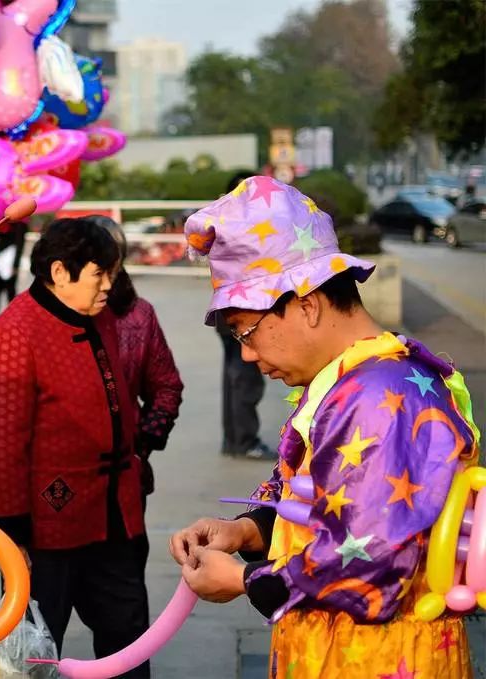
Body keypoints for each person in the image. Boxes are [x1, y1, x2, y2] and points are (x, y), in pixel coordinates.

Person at [172, 176, 477, 678]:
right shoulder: (349, 381)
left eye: (246, 331)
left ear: (307, 303)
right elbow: (324, 510)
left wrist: (246, 581)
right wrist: (246, 531)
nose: (248, 355)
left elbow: (372, 562)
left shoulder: (382, 395)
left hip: (378, 661)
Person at [0, 218, 150, 678]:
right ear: (59, 272)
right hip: (46, 526)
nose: (109, 287)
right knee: (31, 649)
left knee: (129, 636)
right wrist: (10, 535)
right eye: (100, 275)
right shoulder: (17, 333)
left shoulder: (103, 318)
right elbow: (0, 441)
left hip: (113, 514)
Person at [90, 215, 183, 501]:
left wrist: (142, 440)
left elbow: (166, 386)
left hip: (126, 476)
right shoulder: (49, 320)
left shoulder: (138, 315)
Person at [216, 172, 275, 460]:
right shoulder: (243, 228)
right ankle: (244, 440)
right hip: (242, 314)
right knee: (245, 378)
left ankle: (233, 439)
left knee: (233, 376)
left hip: (226, 312)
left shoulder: (222, 223)